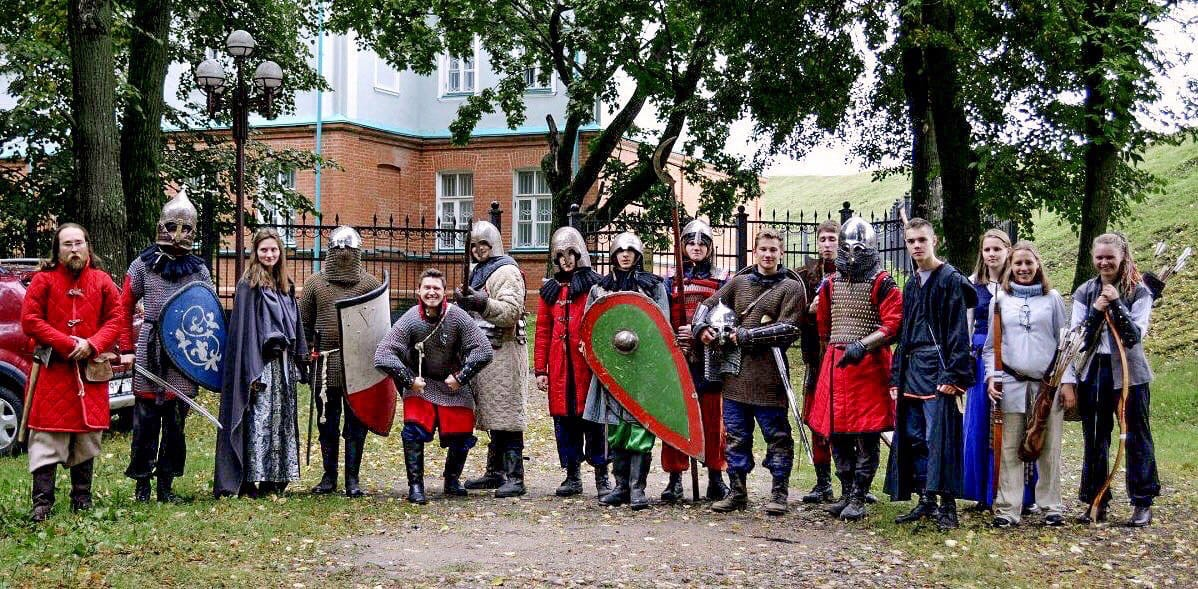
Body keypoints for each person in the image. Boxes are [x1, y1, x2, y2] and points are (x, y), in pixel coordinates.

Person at [694, 228, 805, 515]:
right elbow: (707, 305)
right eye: (763, 249)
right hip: (736, 376)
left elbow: (788, 328)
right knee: (735, 436)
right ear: (755, 252)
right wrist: (701, 328)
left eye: (773, 250)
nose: (768, 255)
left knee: (777, 437)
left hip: (769, 377)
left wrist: (746, 336)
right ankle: (738, 492)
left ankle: (779, 494)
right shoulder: (739, 283)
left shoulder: (790, 288)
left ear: (781, 252)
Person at [21, 223, 124, 521]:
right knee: (46, 440)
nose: (74, 249)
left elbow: (115, 319)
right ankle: (42, 505)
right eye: (67, 244)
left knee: (87, 438)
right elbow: (30, 320)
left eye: (79, 243)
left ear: (88, 246)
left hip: (89, 371)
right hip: (54, 371)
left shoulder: (103, 281)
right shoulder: (43, 281)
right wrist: (68, 344)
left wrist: (92, 344)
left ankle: (82, 499)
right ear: (58, 250)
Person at [120, 190, 213, 503]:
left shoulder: (198, 270)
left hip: (184, 354)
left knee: (175, 425)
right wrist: (127, 347)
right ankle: (142, 486)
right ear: (161, 225)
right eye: (172, 226)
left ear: (194, 231)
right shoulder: (143, 265)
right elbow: (124, 306)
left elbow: (208, 312)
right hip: (150, 348)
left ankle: (166, 485)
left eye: (185, 229)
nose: (178, 234)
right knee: (145, 424)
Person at [806, 217, 902, 521]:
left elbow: (894, 323)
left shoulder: (882, 282)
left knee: (866, 434)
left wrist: (864, 345)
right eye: (846, 248)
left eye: (857, 248)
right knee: (837, 434)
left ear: (869, 249)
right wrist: (825, 357)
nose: (851, 254)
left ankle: (859, 497)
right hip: (836, 365)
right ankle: (846, 492)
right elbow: (823, 325)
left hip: (868, 367)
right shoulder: (831, 283)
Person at [1060, 233, 1158, 527]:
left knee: (1136, 436)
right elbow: (1078, 338)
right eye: (1099, 257)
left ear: (1122, 257)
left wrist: (1116, 304)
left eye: (1110, 257)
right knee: (1094, 437)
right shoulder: (1085, 291)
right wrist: (1096, 310)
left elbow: (1133, 336)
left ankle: (1142, 502)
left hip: (1131, 372)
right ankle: (1096, 500)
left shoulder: (1139, 291)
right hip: (1095, 371)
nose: (1104, 262)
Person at [884, 218, 976, 530]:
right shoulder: (911, 284)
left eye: (922, 240)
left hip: (939, 369)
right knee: (914, 437)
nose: (917, 246)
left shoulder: (950, 279)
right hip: (912, 369)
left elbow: (957, 332)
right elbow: (906, 332)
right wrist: (897, 375)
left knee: (941, 437)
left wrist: (953, 375)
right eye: (911, 242)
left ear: (933, 240)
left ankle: (947, 508)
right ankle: (925, 500)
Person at [374, 268, 493, 504]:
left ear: (444, 292)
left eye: (436, 288)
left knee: (461, 433)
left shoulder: (457, 316)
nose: (431, 292)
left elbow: (484, 350)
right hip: (421, 387)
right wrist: (409, 379)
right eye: (427, 288)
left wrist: (461, 376)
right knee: (413, 431)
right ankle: (416, 485)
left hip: (453, 387)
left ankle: (451, 479)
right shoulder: (410, 319)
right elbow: (383, 354)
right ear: (419, 291)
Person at [214, 229, 309, 499]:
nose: (269, 254)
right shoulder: (249, 285)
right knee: (258, 419)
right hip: (259, 364)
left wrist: (300, 357)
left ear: (281, 252)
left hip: (283, 365)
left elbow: (296, 324)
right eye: (264, 250)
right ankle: (251, 479)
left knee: (281, 420)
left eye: (274, 250)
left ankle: (275, 479)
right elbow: (244, 332)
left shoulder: (285, 284)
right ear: (255, 253)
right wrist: (250, 370)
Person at [982, 240, 1068, 527]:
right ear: (1011, 266)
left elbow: (1065, 343)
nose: (1023, 268)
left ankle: (1050, 506)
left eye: (1028, 263)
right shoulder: (1000, 300)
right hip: (1013, 382)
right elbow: (990, 348)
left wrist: (1066, 382)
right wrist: (993, 376)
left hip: (1047, 384)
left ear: (1038, 265)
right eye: (1018, 263)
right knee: (1009, 447)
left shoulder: (1052, 298)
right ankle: (1008, 508)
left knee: (1048, 445)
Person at [582, 232, 671, 510]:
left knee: (640, 426)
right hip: (612, 368)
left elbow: (661, 327)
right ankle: (620, 486)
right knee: (617, 429)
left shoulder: (653, 288)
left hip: (641, 368)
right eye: (620, 250)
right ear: (612, 255)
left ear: (638, 255)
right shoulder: (600, 289)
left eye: (630, 250)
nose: (625, 254)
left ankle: (637, 488)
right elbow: (590, 329)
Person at [299, 226, 381, 498]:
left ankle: (352, 478)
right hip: (326, 364)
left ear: (358, 253)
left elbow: (379, 328)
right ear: (330, 252)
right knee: (327, 422)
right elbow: (304, 326)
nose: (344, 253)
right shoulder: (315, 284)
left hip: (359, 365)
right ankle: (329, 475)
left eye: (350, 248)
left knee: (356, 424)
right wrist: (304, 360)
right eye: (339, 248)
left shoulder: (369, 285)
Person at [534, 227, 611, 499]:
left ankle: (602, 475)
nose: (566, 260)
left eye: (570, 254)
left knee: (594, 422)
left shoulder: (596, 286)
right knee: (564, 424)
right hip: (559, 369)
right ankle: (572, 474)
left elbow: (605, 324)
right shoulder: (550, 291)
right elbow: (543, 330)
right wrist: (541, 370)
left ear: (580, 254)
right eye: (560, 256)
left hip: (586, 368)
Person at [455, 221, 529, 498]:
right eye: (473, 246)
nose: (477, 250)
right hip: (484, 352)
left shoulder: (506, 271)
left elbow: (511, 311)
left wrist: (481, 303)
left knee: (506, 415)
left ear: (493, 244)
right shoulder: (478, 272)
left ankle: (515, 476)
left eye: (482, 245)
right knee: (491, 413)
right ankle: (495, 471)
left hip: (503, 350)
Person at [659, 219, 730, 503]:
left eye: (701, 243)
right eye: (690, 243)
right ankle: (675, 478)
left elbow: (727, 314)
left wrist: (700, 328)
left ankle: (715, 476)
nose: (696, 247)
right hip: (678, 356)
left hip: (709, 356)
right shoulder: (669, 281)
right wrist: (676, 333)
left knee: (713, 420)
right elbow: (661, 314)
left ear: (710, 247)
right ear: (682, 246)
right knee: (676, 417)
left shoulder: (721, 279)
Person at [796, 218, 840, 504]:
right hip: (815, 356)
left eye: (832, 239)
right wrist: (808, 310)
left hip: (843, 356)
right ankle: (823, 482)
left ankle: (850, 483)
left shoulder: (853, 270)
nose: (827, 244)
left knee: (843, 421)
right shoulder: (804, 274)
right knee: (814, 417)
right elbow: (792, 313)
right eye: (823, 239)